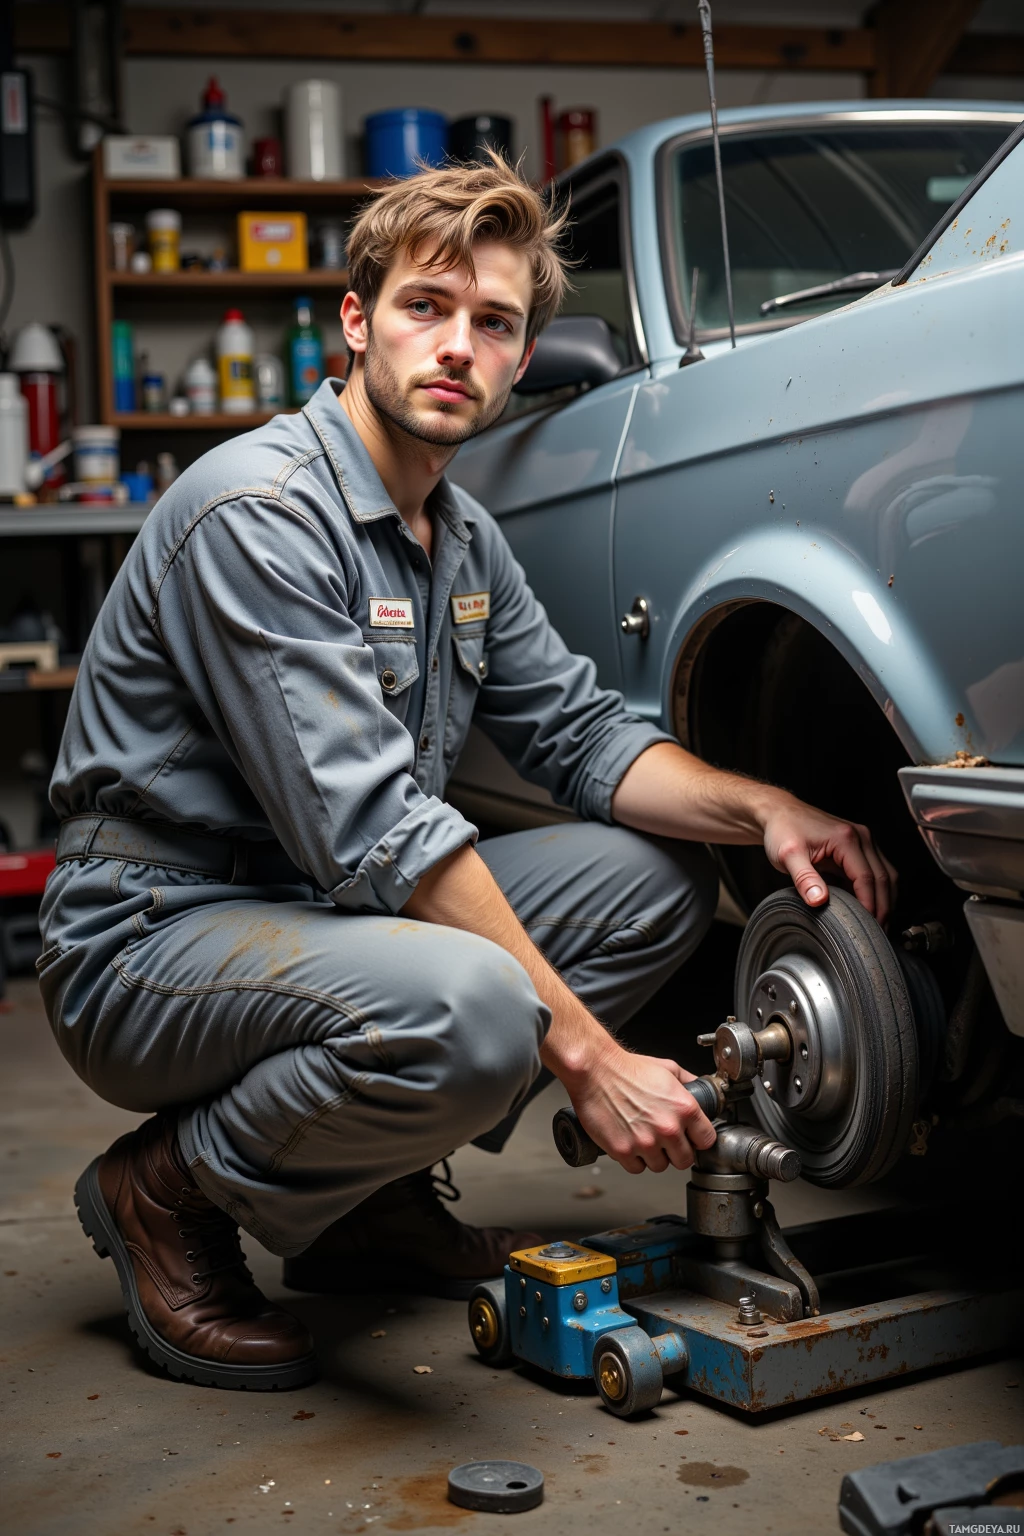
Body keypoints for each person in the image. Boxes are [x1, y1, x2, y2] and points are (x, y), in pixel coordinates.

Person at [39, 155, 895, 1391]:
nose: (457, 347)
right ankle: (164, 1192)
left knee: (649, 879)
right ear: (354, 324)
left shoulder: (463, 538)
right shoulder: (261, 512)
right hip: (147, 934)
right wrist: (590, 1055)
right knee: (480, 1008)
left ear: (520, 354)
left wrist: (762, 808)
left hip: (308, 916)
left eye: (494, 324)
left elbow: (584, 740)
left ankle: (360, 1204)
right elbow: (376, 830)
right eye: (424, 309)